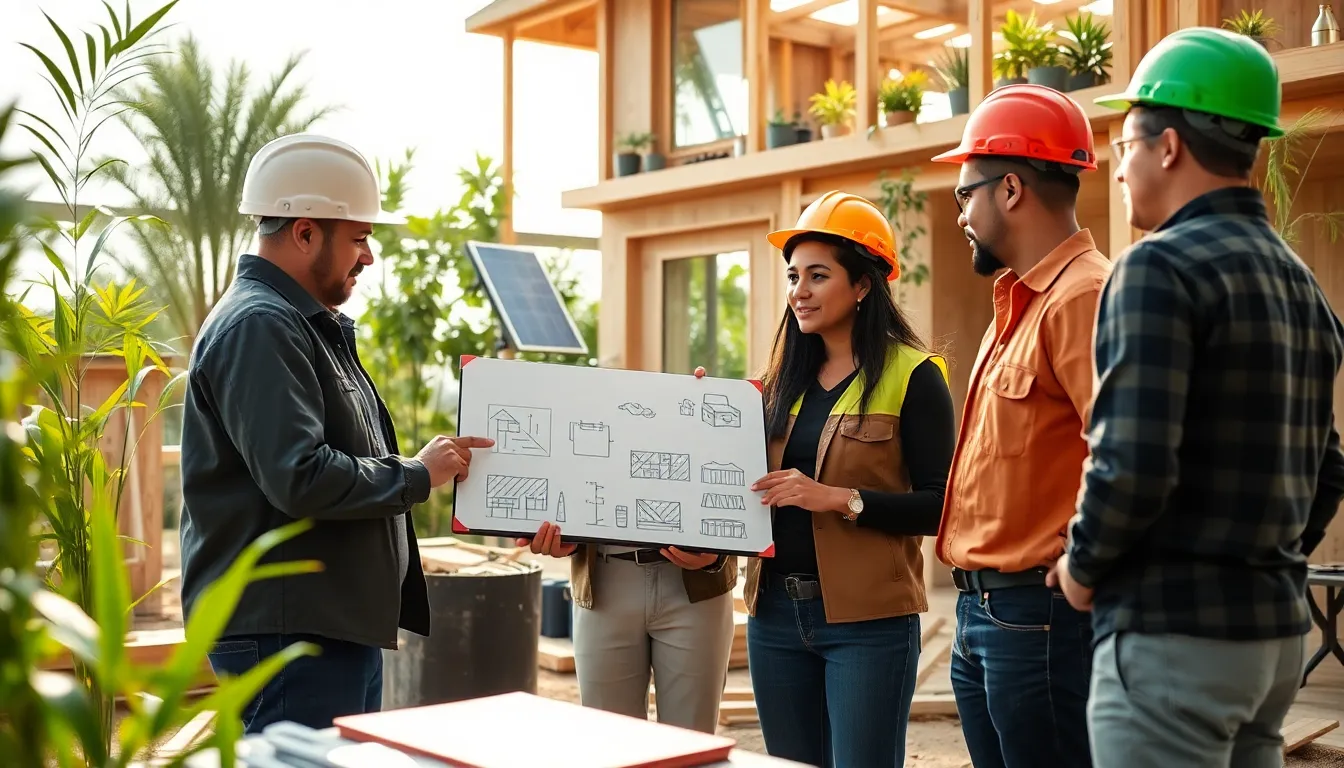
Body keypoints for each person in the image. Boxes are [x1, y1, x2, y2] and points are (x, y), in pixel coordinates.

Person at [1047, 27, 1344, 767]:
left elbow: (1131, 464)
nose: (1120, 172)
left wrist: (1080, 574)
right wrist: (1261, 560)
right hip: (1273, 641)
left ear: (1170, 146)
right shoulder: (1300, 283)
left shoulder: (1156, 269)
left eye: (1126, 150)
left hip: (1171, 642)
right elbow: (1329, 470)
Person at [178, 133, 495, 734]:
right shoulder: (261, 327)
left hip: (317, 627)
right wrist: (415, 474)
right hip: (287, 634)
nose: (368, 256)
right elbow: (298, 475)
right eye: (359, 238)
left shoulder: (298, 325)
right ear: (304, 233)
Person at [928, 84, 1110, 768]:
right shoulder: (1018, 304)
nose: (960, 216)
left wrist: (1080, 571)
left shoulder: (1083, 297)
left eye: (963, 194)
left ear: (1009, 189)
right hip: (984, 619)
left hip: (1039, 619)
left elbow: (1120, 456)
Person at [740, 191, 956, 768]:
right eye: (793, 277)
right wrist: (705, 410)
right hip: (774, 619)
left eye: (817, 275)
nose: (799, 292)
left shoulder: (915, 376)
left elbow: (941, 507)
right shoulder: (775, 384)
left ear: (863, 285)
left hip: (870, 625)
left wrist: (839, 499)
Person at [519, 463, 737, 733]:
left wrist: (725, 547)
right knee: (612, 741)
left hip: (696, 585)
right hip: (604, 580)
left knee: (692, 740)